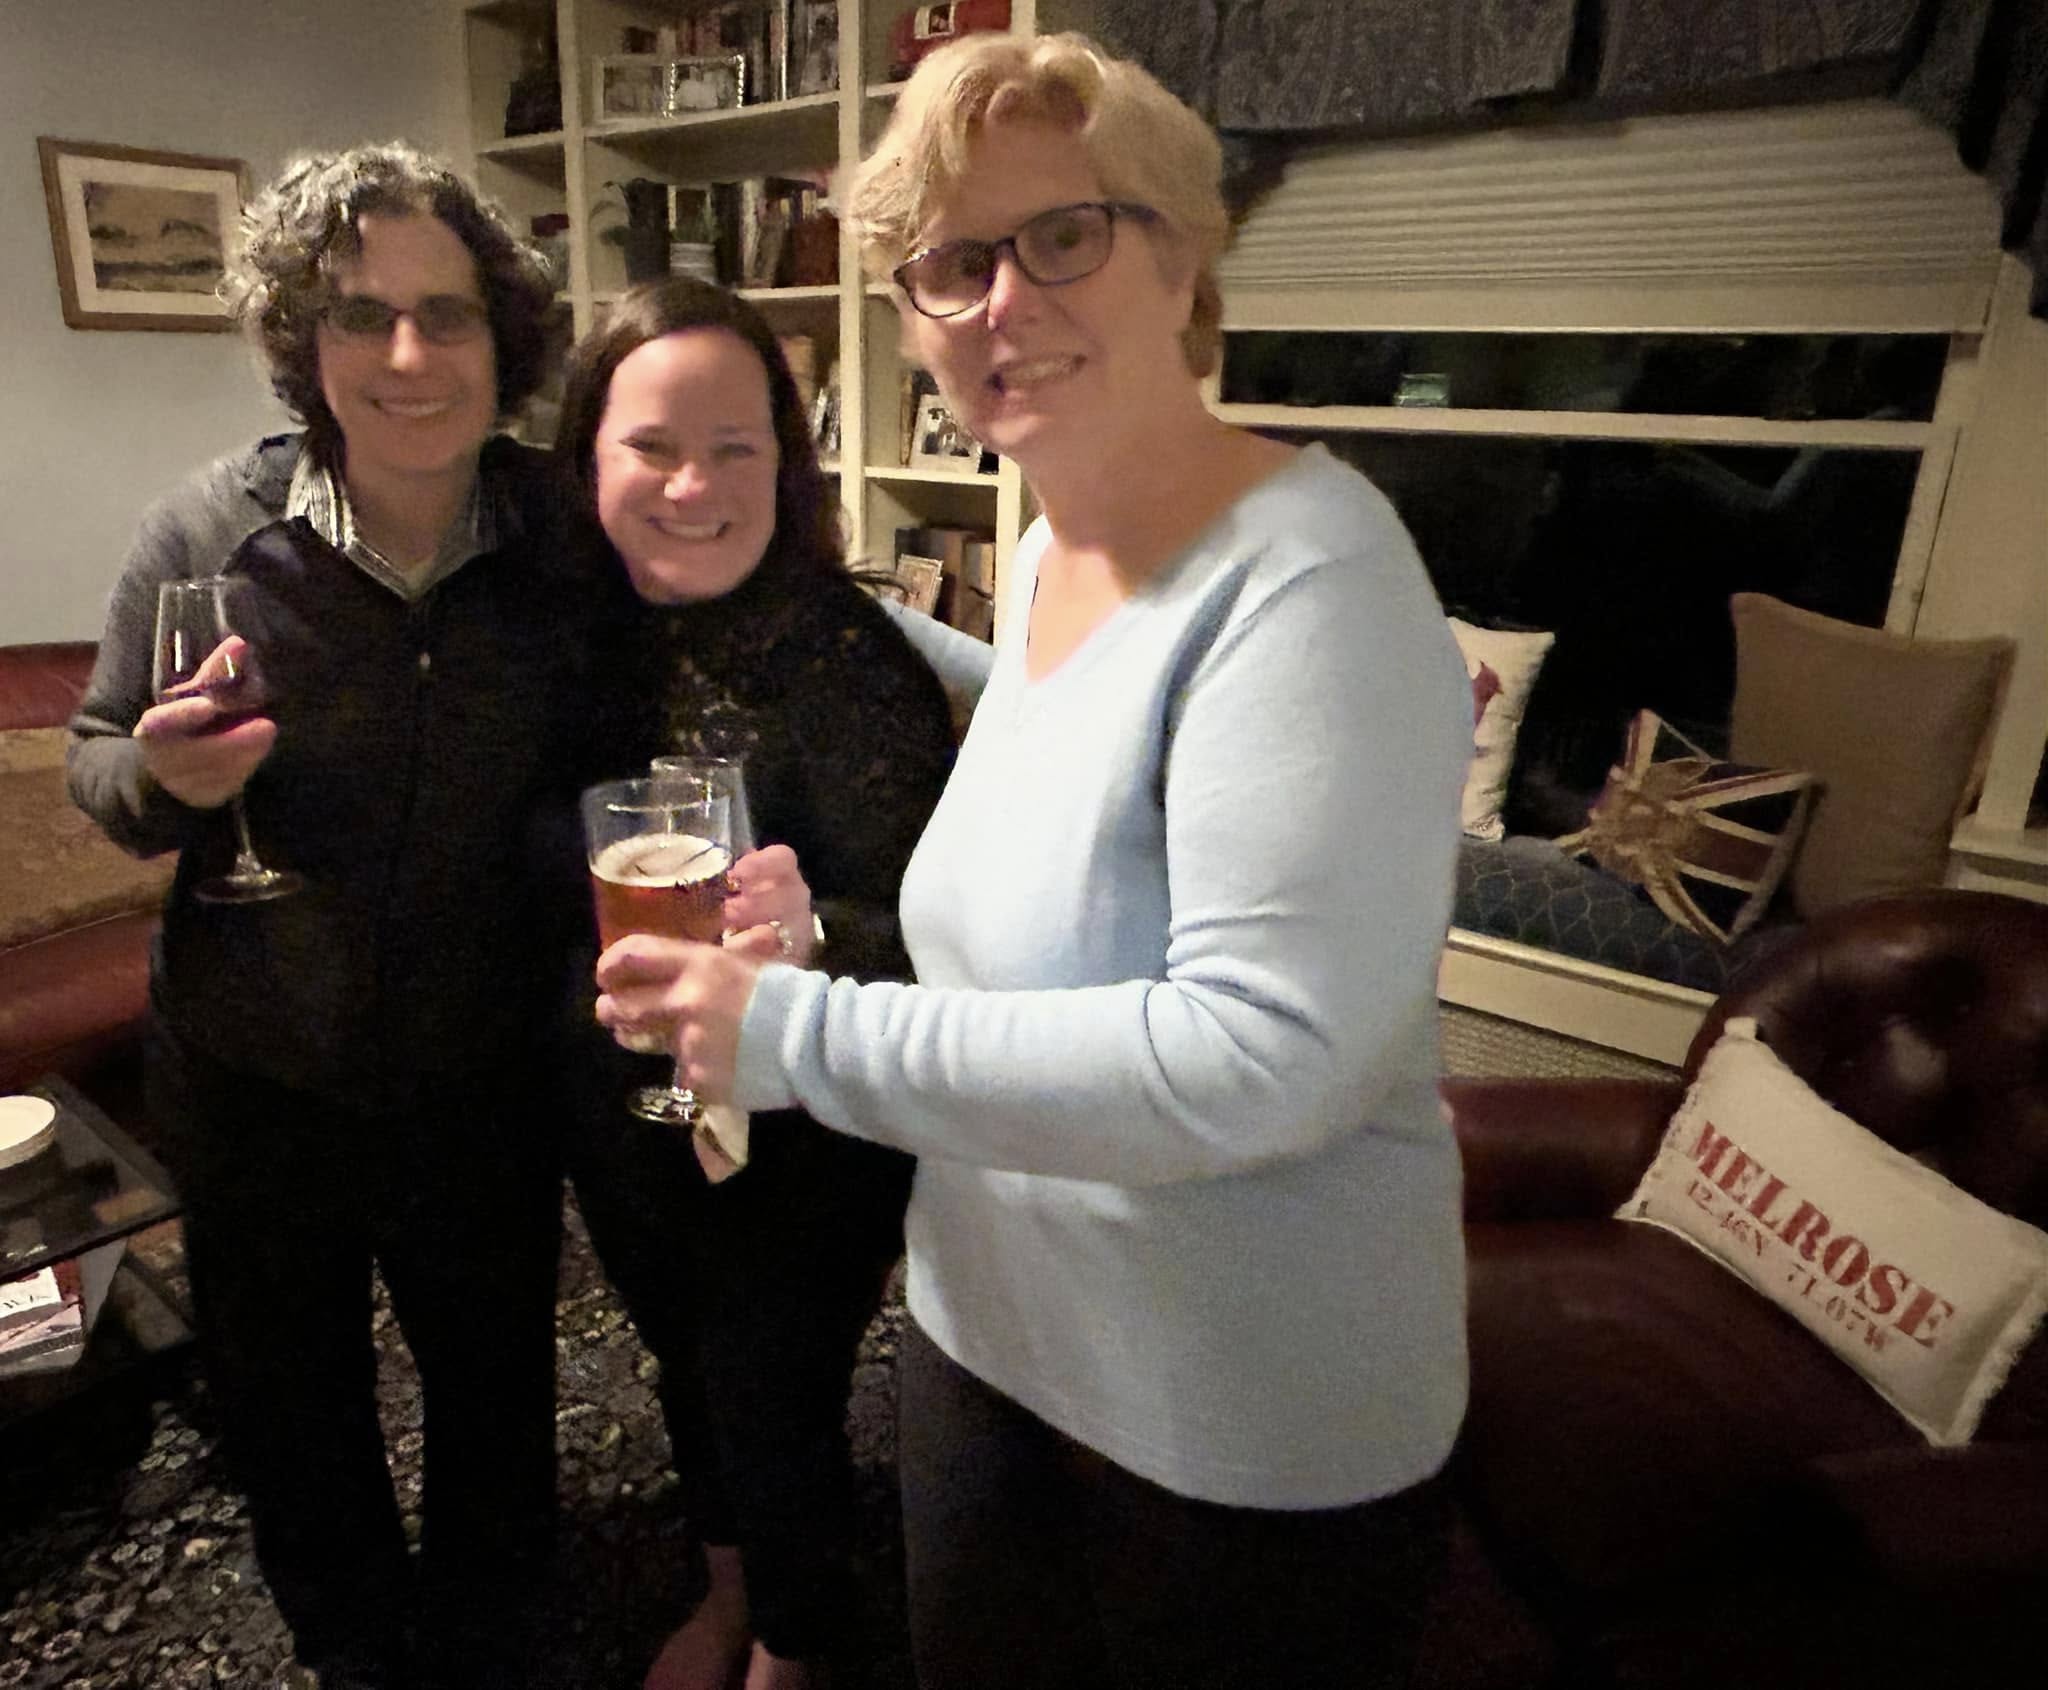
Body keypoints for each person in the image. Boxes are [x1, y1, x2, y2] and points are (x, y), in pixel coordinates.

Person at [592, 32, 1476, 1690]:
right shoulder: (1063, 547)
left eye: (1063, 234)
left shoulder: (1313, 578)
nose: (1004, 300)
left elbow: (1265, 1055)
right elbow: (1052, 834)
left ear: (1182, 256)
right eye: (950, 264)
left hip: (1234, 1425)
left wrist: (801, 1033)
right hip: (986, 1342)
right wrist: (815, 883)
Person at [68, 144, 576, 1690]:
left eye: (447, 313)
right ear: (304, 337)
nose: (409, 355)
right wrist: (159, 778)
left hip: (481, 1066)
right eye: (362, 314)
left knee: (497, 1388)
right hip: (253, 1070)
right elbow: (98, 755)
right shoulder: (205, 531)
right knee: (292, 1408)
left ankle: (490, 1640)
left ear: (502, 334)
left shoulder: (560, 533)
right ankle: (356, 1653)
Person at [551, 277, 955, 1690]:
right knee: (678, 1352)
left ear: (787, 463)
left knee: (773, 1381)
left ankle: (798, 1638)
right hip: (620, 1102)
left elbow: (940, 933)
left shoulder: (849, 662)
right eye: (653, 446)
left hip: (802, 1124)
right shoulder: (562, 641)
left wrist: (815, 932)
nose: (694, 486)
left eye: (735, 447)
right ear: (587, 458)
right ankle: (728, 1587)